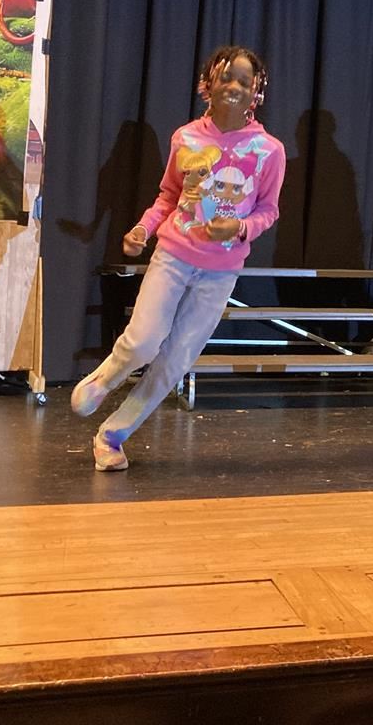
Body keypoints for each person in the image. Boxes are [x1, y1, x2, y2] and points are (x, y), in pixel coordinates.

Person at [70, 46, 285, 470]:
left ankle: (113, 436)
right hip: (173, 254)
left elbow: (268, 210)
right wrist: (141, 231)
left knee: (175, 361)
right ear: (208, 84)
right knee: (144, 340)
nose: (234, 87)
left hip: (221, 271)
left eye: (244, 81)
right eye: (226, 78)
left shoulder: (269, 151)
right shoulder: (185, 138)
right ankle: (104, 378)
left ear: (257, 91)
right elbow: (169, 196)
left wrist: (241, 228)